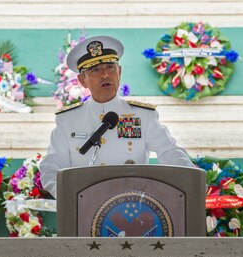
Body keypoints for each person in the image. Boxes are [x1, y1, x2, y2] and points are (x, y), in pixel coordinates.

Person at [40, 35, 195, 199]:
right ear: (82, 80)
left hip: (133, 206)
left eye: (110, 67)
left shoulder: (142, 116)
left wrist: (193, 181)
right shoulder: (68, 120)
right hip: (84, 205)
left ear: (119, 72)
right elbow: (52, 165)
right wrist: (68, 197)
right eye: (95, 70)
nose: (105, 75)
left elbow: (170, 151)